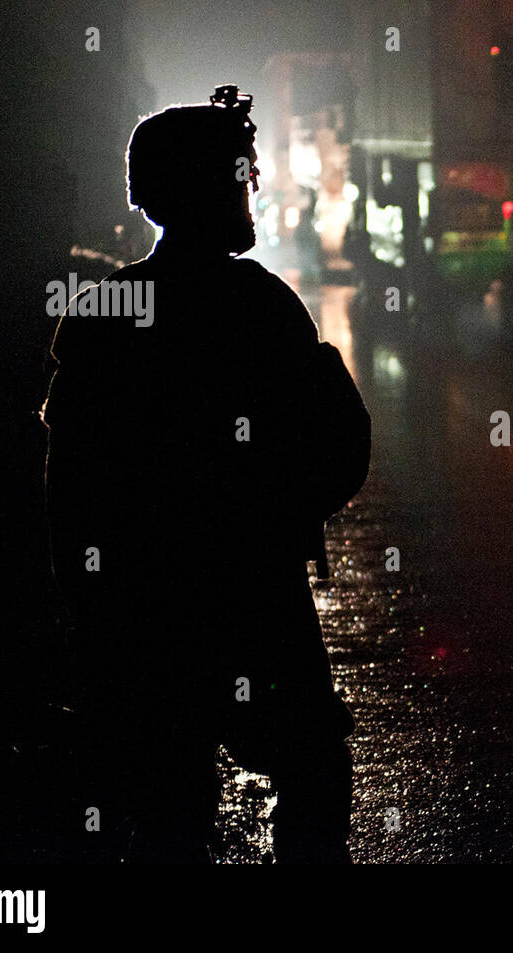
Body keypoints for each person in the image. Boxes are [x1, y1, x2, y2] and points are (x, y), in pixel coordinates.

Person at [42, 86, 370, 863]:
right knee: (313, 765)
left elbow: (71, 489)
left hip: (139, 606)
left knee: (167, 810)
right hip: (255, 594)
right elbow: (334, 444)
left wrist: (86, 610)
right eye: (237, 177)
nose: (248, 191)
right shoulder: (261, 307)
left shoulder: (103, 312)